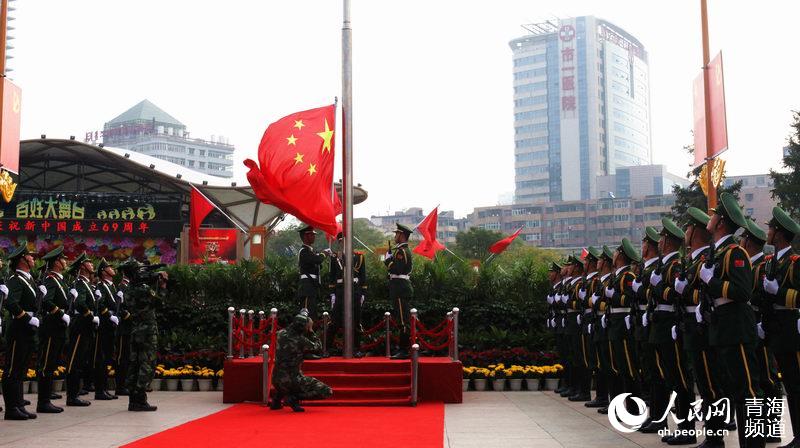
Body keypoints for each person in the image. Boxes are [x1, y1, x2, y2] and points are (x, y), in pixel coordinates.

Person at [699, 192, 765, 448]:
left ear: (721, 222)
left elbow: (742, 292)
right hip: (721, 325)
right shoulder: (718, 252)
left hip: (736, 326)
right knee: (732, 388)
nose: (711, 217)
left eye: (715, 214)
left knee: (748, 391)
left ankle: (755, 445)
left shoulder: (735, 252)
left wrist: (711, 283)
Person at [647, 218, 696, 444]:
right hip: (660, 322)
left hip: (670, 322)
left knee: (680, 377)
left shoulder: (675, 265)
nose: (658, 241)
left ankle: (687, 427)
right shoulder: (664, 265)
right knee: (666, 376)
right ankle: (672, 422)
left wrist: (657, 287)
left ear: (666, 240)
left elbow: (678, 295)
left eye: (661, 237)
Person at [762, 206, 800, 448]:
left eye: (771, 228)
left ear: (779, 234)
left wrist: (780, 293)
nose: (768, 232)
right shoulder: (772, 262)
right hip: (777, 328)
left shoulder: (795, 262)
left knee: (797, 384)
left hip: (792, 328)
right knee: (788, 383)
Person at [743, 217, 783, 445]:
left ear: (749, 242)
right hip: (751, 325)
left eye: (743, 240)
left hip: (762, 325)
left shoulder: (764, 265)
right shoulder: (752, 265)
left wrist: (763, 323)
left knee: (768, 378)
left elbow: (765, 297)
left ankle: (773, 426)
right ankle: (761, 426)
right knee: (757, 378)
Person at [120, 258, 168, 412]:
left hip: (135, 330)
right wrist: (162, 285)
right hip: (147, 331)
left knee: (135, 364)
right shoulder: (143, 289)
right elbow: (160, 302)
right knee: (147, 363)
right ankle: (140, 399)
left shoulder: (129, 289)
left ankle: (133, 399)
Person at [2, 245, 40, 420]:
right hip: (18, 328)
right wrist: (26, 318)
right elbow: (10, 302)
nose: (33, 258)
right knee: (12, 369)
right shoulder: (15, 279)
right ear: (22, 260)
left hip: (28, 329)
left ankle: (19, 405)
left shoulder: (29, 279)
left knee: (21, 368)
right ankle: (11, 408)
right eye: (29, 256)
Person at [604, 238, 642, 411]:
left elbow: (630, 299)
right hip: (614, 324)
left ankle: (633, 408)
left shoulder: (628, 276)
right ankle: (621, 406)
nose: (613, 255)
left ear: (620, 255)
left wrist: (613, 296)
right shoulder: (617, 275)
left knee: (629, 368)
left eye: (615, 252)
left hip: (623, 326)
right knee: (617, 368)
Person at [270, 313, 333, 412]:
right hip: (292, 380)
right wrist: (311, 330)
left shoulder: (280, 333)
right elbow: (318, 347)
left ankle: (278, 399)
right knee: (327, 391)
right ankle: (294, 398)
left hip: (275, 378)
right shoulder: (300, 340)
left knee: (284, 380)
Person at [36, 246, 71, 414]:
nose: (65, 262)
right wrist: (60, 313)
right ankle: (43, 402)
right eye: (62, 259)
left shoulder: (59, 280)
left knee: (51, 364)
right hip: (51, 327)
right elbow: (47, 302)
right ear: (56, 262)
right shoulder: (50, 280)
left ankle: (46, 399)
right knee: (47, 364)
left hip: (57, 328)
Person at [631, 226, 660, 428]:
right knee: (650, 371)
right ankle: (655, 415)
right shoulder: (647, 268)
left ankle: (659, 417)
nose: (641, 247)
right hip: (647, 320)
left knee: (660, 373)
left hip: (658, 321)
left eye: (643, 243)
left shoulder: (657, 268)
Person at [326, 232, 367, 358]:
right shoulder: (335, 258)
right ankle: (327, 348)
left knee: (356, 320)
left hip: (355, 291)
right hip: (340, 291)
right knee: (335, 320)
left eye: (346, 241)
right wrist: (332, 294)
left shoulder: (359, 257)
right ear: (339, 242)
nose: (344, 243)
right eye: (341, 241)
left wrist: (363, 293)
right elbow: (332, 277)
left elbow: (363, 277)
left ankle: (357, 348)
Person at [64, 253, 97, 407]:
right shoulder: (79, 284)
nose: (92, 265)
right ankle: (71, 396)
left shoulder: (86, 284)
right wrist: (90, 314)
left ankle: (74, 394)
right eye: (89, 263)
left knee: (80, 361)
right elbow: (80, 303)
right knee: (74, 361)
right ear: (82, 267)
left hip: (86, 326)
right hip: (80, 325)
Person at [591, 246, 615, 414]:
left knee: (610, 365)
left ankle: (611, 400)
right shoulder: (602, 282)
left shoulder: (611, 281)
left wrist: (596, 303)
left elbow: (610, 303)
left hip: (609, 323)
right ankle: (604, 398)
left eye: (600, 259)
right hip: (600, 323)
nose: (597, 262)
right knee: (602, 364)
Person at [385, 223, 414, 359]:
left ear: (402, 235)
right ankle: (403, 348)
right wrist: (391, 259)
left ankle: (403, 350)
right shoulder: (400, 250)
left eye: (397, 234)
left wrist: (388, 261)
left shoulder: (402, 251)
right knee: (402, 319)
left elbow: (396, 269)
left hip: (400, 288)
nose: (395, 236)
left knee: (403, 321)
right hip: (400, 288)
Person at [93, 258, 119, 400]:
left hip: (110, 327)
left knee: (107, 358)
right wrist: (109, 315)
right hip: (103, 326)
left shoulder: (111, 286)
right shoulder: (101, 286)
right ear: (103, 272)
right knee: (101, 359)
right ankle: (99, 390)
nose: (112, 268)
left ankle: (103, 389)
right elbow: (100, 304)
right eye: (109, 267)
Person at [296, 225, 330, 320]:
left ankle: (310, 332)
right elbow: (317, 260)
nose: (314, 237)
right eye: (312, 235)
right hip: (307, 287)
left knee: (312, 312)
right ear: (306, 236)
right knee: (307, 313)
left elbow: (317, 264)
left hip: (311, 285)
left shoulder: (310, 251)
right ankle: (306, 333)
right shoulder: (304, 251)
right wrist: (324, 254)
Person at [114, 268, 133, 397]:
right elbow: (119, 307)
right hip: (123, 328)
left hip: (130, 328)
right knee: (122, 358)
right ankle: (120, 386)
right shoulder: (121, 287)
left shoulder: (129, 287)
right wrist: (129, 316)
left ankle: (126, 384)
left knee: (128, 357)